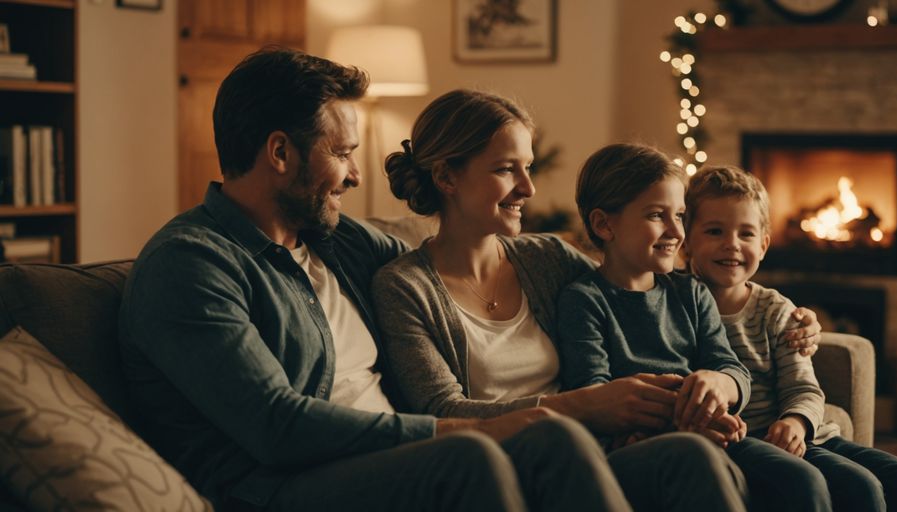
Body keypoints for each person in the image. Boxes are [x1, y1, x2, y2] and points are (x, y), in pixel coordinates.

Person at [118, 47, 632, 512]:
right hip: (278, 486)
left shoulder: (339, 242)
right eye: (341, 154)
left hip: (389, 461)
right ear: (279, 153)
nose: (356, 176)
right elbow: (276, 427)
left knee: (555, 439)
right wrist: (469, 426)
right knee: (471, 456)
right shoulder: (191, 264)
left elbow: (438, 269)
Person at [372, 89, 819, 511]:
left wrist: (782, 318)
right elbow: (441, 414)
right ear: (447, 176)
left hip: (599, 443)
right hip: (512, 460)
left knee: (753, 467)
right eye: (507, 169)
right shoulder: (405, 287)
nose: (528, 188)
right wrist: (583, 407)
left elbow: (641, 287)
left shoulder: (545, 257)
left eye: (528, 167)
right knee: (690, 456)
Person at [559, 143, 838, 512]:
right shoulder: (584, 301)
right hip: (654, 444)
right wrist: (679, 420)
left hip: (710, 431)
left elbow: (732, 368)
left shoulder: (691, 292)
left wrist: (719, 384)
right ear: (603, 224)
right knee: (786, 480)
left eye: (680, 215)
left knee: (803, 479)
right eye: (658, 215)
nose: (677, 231)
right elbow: (592, 396)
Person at [682, 165, 897, 512]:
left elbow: (804, 387)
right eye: (715, 231)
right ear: (686, 241)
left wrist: (796, 421)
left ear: (763, 245)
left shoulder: (776, 311)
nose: (731, 244)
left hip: (808, 436)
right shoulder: (677, 304)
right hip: (748, 442)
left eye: (746, 234)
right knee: (860, 489)